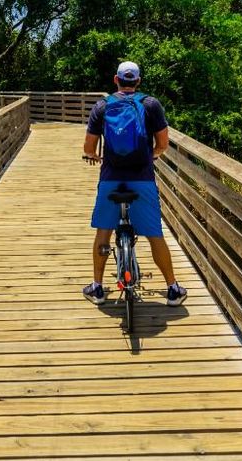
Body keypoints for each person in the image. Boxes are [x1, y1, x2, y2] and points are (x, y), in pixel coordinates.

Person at [81, 61, 188, 306]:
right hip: (142, 179)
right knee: (154, 234)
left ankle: (97, 288)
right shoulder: (150, 104)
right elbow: (162, 144)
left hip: (111, 178)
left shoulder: (102, 106)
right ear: (138, 81)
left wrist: (94, 156)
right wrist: (151, 156)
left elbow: (89, 147)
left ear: (116, 80)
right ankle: (172, 288)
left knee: (104, 233)